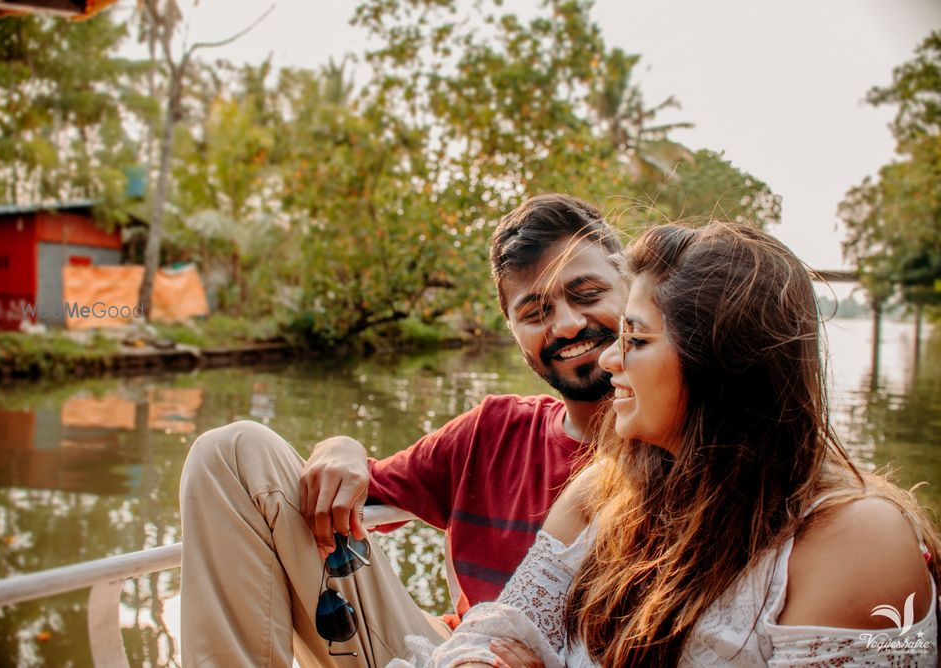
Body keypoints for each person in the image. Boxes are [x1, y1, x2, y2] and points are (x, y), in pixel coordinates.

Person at [390, 222, 940, 667]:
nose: (608, 359)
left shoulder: (855, 539)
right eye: (534, 312)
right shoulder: (606, 490)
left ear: (721, 363)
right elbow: (499, 630)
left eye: (637, 340)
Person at [178, 193, 630, 667]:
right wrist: (341, 447)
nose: (566, 324)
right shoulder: (493, 430)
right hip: (448, 655)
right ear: (512, 329)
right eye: (535, 313)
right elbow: (360, 489)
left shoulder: (688, 444)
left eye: (586, 294)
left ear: (631, 289)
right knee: (229, 452)